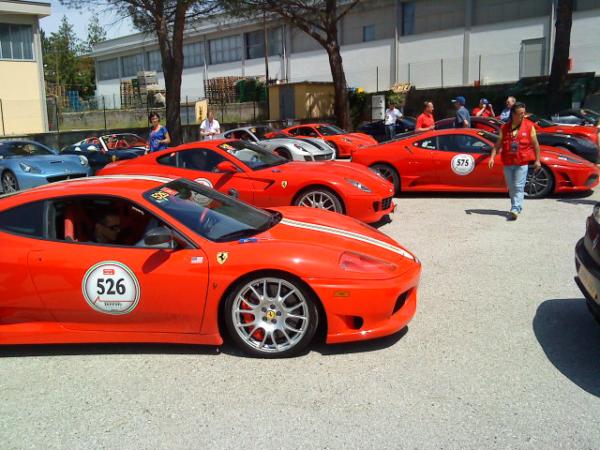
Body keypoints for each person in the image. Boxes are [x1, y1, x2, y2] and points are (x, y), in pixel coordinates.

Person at [488, 102, 541, 221]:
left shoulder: (529, 126)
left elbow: (536, 145)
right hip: (508, 162)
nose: (523, 115)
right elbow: (498, 144)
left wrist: (537, 160)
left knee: (519, 186)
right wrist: (492, 157)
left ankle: (515, 208)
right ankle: (515, 206)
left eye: (524, 113)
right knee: (511, 187)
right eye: (520, 113)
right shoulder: (504, 127)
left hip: (522, 162)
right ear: (513, 114)